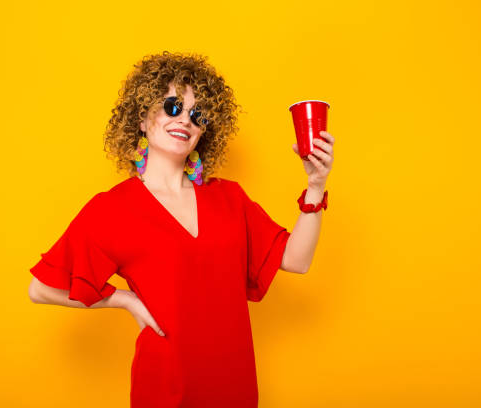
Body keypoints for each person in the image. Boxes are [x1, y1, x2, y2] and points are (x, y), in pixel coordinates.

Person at [28, 51, 335, 408]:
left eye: (198, 114)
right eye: (172, 106)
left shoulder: (229, 198)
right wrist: (125, 299)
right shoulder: (113, 209)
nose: (185, 120)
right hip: (165, 388)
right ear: (141, 118)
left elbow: (297, 260)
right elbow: (41, 288)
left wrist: (315, 184)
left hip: (234, 386)